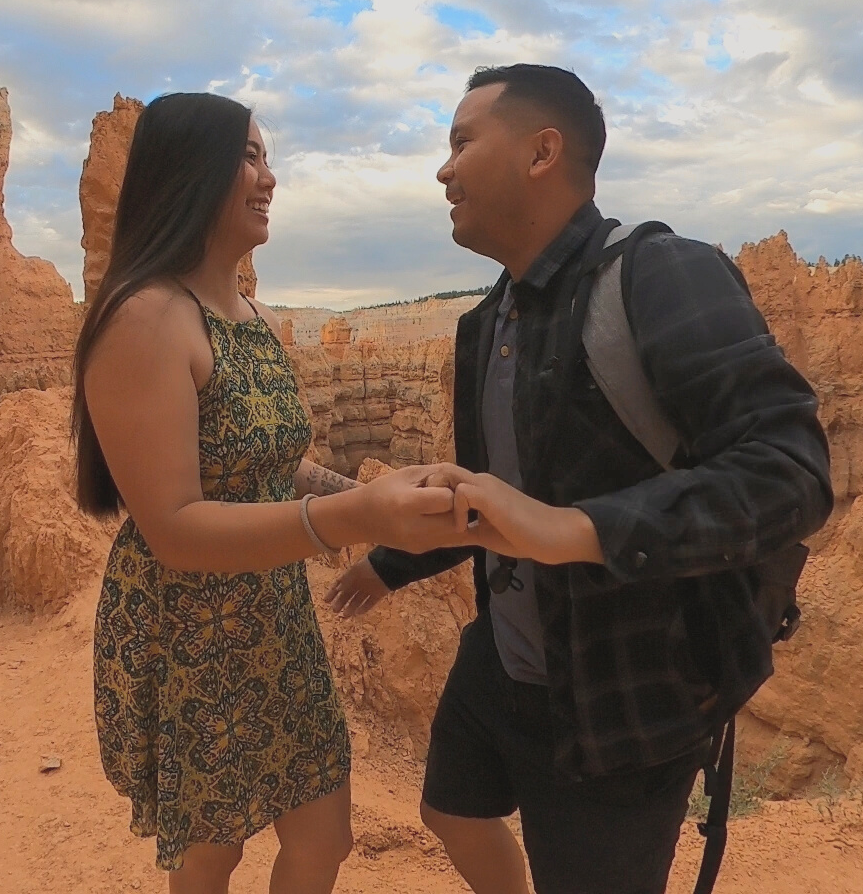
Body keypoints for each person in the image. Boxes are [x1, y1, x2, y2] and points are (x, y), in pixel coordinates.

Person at [326, 64, 833, 894]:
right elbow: (492, 496)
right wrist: (390, 564)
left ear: (542, 152)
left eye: (461, 142)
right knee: (452, 811)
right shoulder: (489, 320)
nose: (443, 170)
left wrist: (579, 529)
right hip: (506, 655)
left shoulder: (662, 274)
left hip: (625, 693)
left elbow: (791, 471)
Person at [73, 91, 484, 894]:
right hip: (190, 627)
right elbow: (174, 528)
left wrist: (380, 495)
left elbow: (266, 462)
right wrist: (353, 514)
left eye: (267, 158)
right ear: (189, 172)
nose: (269, 178)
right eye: (248, 156)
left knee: (323, 835)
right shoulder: (145, 319)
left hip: (272, 615)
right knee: (211, 854)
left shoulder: (251, 317)